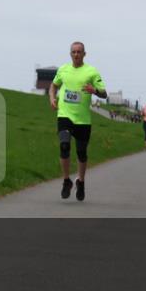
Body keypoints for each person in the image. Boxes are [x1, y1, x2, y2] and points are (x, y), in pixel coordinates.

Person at [48, 42, 107, 201]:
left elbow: (104, 93)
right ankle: (66, 181)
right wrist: (52, 99)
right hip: (64, 115)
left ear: (84, 54)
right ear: (70, 54)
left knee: (81, 153)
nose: (76, 54)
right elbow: (53, 86)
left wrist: (93, 90)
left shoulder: (91, 72)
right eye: (73, 52)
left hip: (83, 119)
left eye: (79, 52)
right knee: (64, 145)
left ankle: (80, 182)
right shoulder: (63, 69)